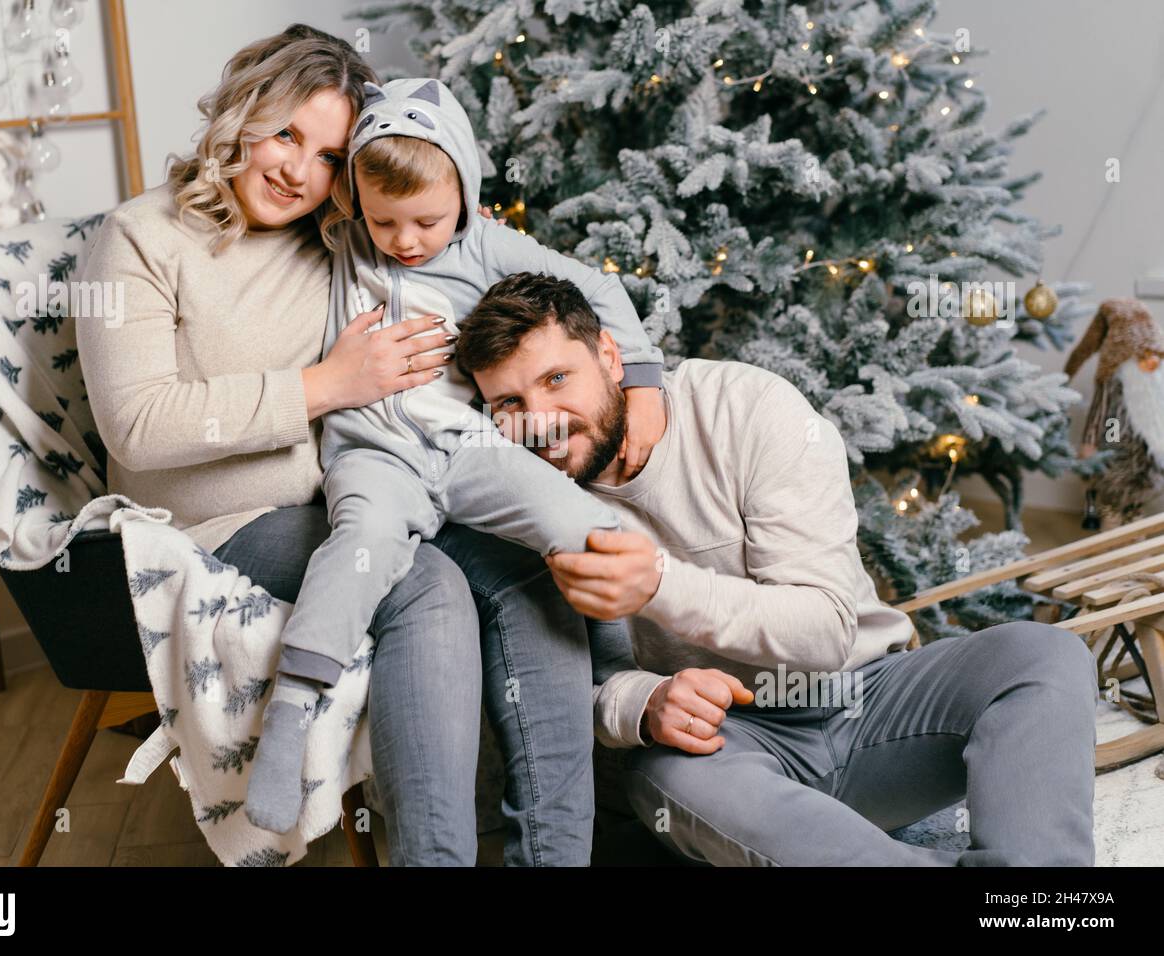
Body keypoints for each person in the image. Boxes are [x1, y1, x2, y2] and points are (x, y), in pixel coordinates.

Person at [76, 25, 603, 865]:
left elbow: (469, 256)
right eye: (286, 134)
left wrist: (625, 381)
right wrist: (326, 385)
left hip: (368, 486)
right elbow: (136, 425)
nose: (297, 170)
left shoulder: (345, 239)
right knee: (423, 586)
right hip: (223, 520)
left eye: (327, 156)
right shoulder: (137, 238)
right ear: (239, 118)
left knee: (526, 574)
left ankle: (555, 856)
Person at [453, 271, 1100, 866]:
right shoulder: (518, 502)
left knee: (1045, 654)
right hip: (729, 755)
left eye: (557, 380)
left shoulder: (744, 408)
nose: (539, 423)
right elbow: (549, 691)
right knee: (664, 777)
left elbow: (823, 631)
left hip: (867, 700)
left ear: (610, 358)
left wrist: (658, 585)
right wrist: (642, 703)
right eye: (509, 404)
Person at [244, 75, 667, 834]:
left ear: (465, 193)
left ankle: (614, 672)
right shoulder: (344, 239)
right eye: (386, 222)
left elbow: (596, 290)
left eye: (426, 220)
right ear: (356, 205)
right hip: (373, 455)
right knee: (360, 547)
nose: (406, 240)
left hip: (470, 451)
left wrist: (641, 379)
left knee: (588, 525)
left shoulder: (486, 245)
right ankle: (291, 714)